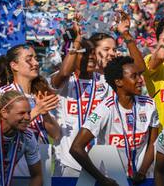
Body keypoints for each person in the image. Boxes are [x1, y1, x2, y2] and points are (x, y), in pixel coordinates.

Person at [70, 56, 159, 186]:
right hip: (112, 185)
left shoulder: (149, 105)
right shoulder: (104, 109)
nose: (140, 80)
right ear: (118, 82)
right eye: (134, 76)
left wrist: (142, 172)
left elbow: (152, 144)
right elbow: (76, 148)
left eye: (140, 75)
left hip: (142, 181)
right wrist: (102, 180)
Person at [50, 21, 116, 176]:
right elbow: (65, 73)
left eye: (93, 53)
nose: (91, 57)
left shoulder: (105, 82)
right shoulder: (64, 82)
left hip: (100, 163)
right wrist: (77, 41)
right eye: (85, 53)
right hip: (68, 162)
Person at [0, 44, 61, 147]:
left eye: (36, 58)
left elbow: (56, 135)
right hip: (16, 158)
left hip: (41, 158)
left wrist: (45, 114)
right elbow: (2, 131)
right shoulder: (4, 94)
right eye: (29, 60)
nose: (36, 63)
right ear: (14, 65)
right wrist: (37, 111)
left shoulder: (39, 94)